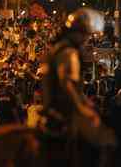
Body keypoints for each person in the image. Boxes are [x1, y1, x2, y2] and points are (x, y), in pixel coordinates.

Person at [42, 8, 116, 147]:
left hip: (54, 106)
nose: (86, 39)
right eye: (85, 35)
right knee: (107, 140)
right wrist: (82, 109)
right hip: (65, 110)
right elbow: (67, 84)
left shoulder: (58, 48)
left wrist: (86, 102)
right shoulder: (69, 53)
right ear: (76, 33)